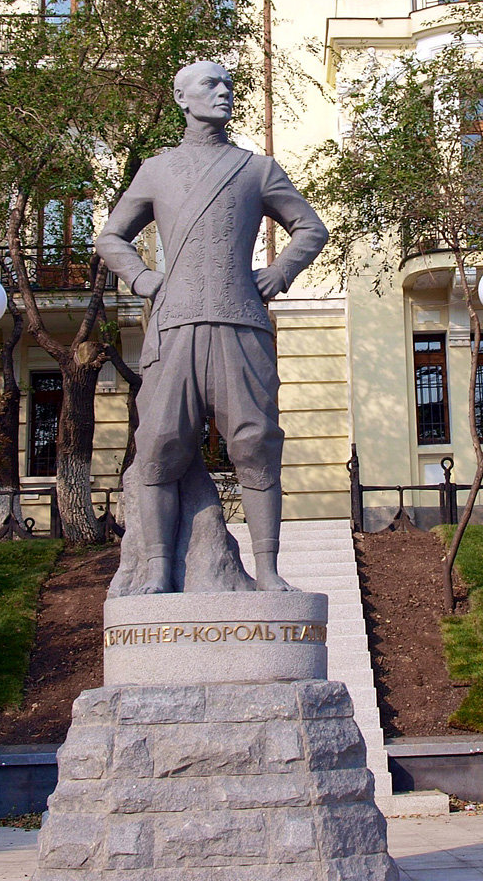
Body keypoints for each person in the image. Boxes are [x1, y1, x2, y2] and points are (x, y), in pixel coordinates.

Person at [96, 60, 328, 593]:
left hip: (240, 322)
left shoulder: (256, 168)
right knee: (158, 444)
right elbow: (111, 237)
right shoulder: (156, 169)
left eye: (228, 84)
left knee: (256, 442)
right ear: (182, 97)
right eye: (211, 84)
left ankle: (268, 571)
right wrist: (141, 278)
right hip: (174, 325)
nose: (224, 92)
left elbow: (309, 228)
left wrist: (279, 273)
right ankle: (158, 569)